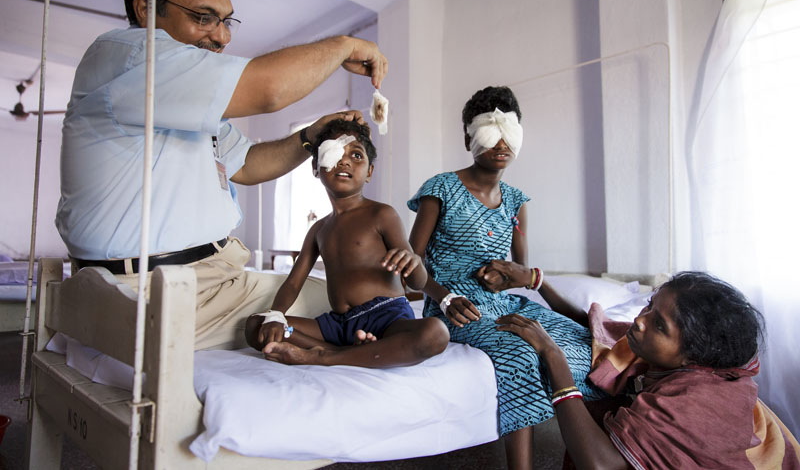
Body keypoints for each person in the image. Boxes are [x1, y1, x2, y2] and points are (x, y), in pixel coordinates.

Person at [55, 0, 388, 350]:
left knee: (363, 305)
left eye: (227, 21)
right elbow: (269, 90)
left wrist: (310, 136)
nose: (222, 36)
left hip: (208, 282)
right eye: (204, 17)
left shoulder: (183, 99)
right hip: (159, 291)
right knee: (369, 310)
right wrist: (345, 46)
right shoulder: (133, 56)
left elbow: (246, 164)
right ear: (145, 9)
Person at [407, 85, 606, 470]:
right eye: (489, 133)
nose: (502, 143)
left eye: (509, 133)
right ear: (469, 137)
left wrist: (509, 278)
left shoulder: (516, 200)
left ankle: (593, 450)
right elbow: (411, 264)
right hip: (457, 307)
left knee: (586, 340)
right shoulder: (441, 189)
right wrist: (444, 296)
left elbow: (520, 273)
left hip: (507, 302)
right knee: (518, 353)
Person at [497, 271, 800, 469]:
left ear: (692, 356)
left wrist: (554, 358)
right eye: (651, 305)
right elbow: (595, 330)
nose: (640, 320)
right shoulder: (673, 354)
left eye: (659, 324)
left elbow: (600, 465)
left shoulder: (696, 402)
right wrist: (537, 281)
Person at [244, 119, 449, 367]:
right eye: (334, 153)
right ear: (316, 168)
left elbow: (417, 282)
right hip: (339, 326)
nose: (344, 161)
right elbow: (293, 282)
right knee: (257, 325)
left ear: (370, 171)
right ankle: (345, 351)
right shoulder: (318, 229)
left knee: (435, 333)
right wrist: (277, 315)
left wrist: (414, 261)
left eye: (356, 155)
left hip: (387, 319)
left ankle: (324, 356)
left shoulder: (382, 214)